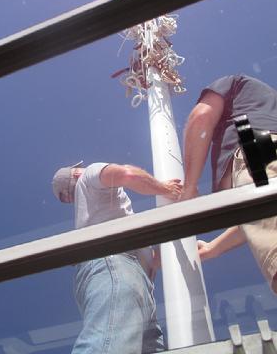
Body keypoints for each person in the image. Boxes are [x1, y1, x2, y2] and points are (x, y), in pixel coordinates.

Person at [52, 161, 182, 353]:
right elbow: (127, 174)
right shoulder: (89, 176)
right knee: (108, 346)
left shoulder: (95, 212)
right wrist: (165, 189)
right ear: (76, 174)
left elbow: (152, 260)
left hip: (129, 278)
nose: (83, 167)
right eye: (78, 168)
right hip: (115, 267)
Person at [182, 74, 277, 293]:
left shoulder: (236, 84)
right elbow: (263, 216)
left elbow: (201, 117)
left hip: (258, 146)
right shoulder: (266, 107)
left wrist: (189, 189)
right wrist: (213, 248)